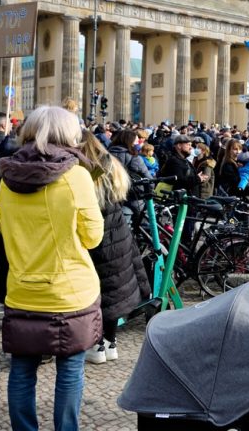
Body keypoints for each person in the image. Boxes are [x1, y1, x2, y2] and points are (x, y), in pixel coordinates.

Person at [0, 105, 104, 431]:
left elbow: (2, 225)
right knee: (70, 370)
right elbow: (93, 236)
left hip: (22, 288)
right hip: (69, 291)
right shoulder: (76, 176)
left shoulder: (7, 177)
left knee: (22, 370)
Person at [79, 131, 150, 365]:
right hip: (118, 230)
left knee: (98, 291)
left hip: (98, 232)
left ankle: (97, 344)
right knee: (114, 289)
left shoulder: (83, 168)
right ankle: (110, 342)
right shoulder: (109, 162)